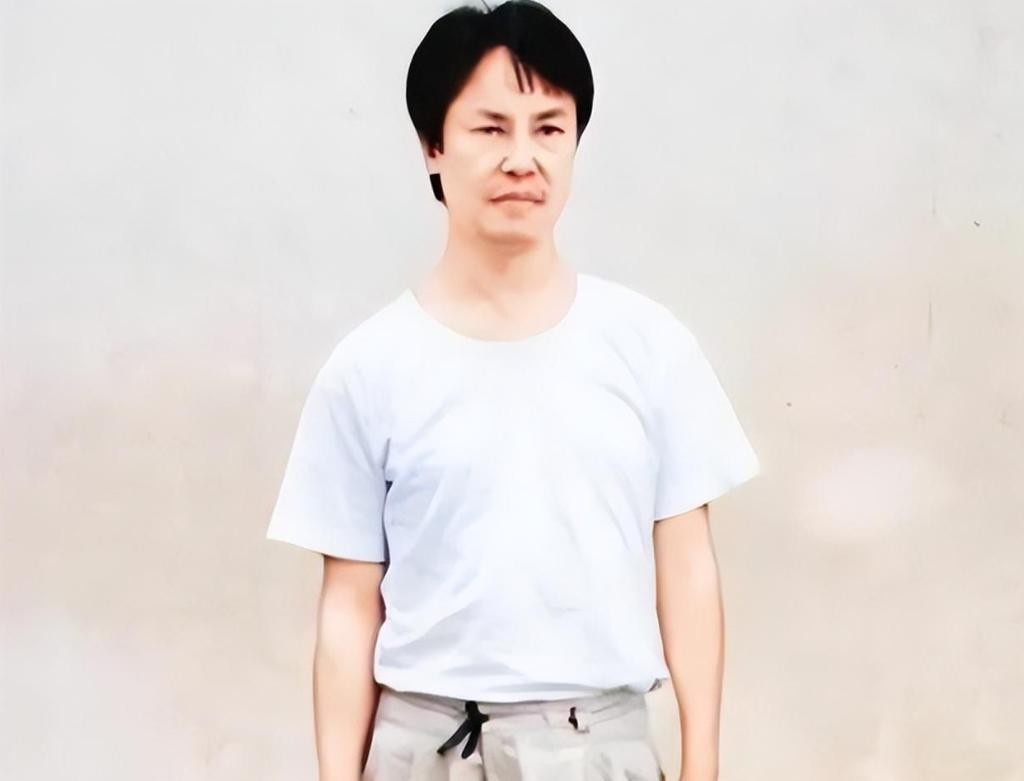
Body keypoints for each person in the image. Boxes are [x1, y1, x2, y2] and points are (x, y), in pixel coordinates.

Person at [265, 1, 760, 779]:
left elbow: (688, 568)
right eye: (490, 129)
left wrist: (702, 763)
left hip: (598, 745)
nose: (522, 158)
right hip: (420, 746)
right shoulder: (368, 367)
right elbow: (348, 605)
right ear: (433, 147)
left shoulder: (650, 346)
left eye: (549, 128)